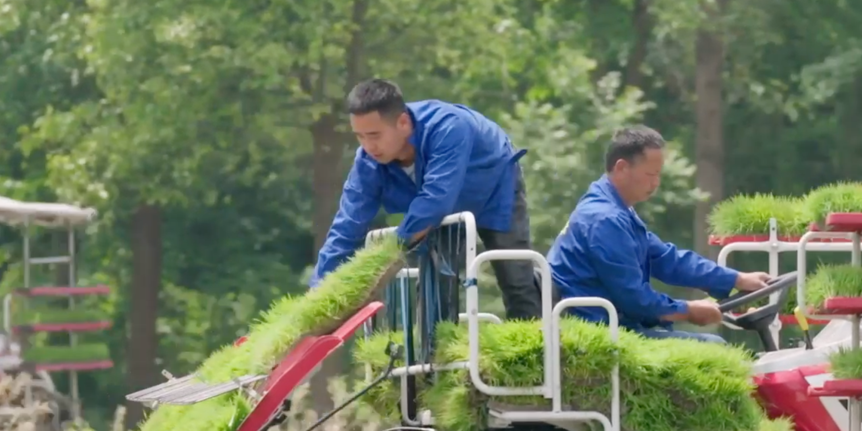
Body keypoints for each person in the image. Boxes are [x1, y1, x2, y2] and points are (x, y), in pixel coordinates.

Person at [311, 79, 543, 321]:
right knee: (434, 287)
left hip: (494, 185)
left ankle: (536, 337)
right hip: (436, 208)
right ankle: (437, 343)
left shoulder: (448, 127)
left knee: (515, 278)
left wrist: (388, 254)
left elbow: (436, 199)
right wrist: (317, 293)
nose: (368, 146)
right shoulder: (367, 162)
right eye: (360, 137)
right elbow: (346, 227)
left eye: (375, 135)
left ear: (403, 123)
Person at [547, 125, 771, 344]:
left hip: (616, 324)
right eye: (650, 174)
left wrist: (736, 279)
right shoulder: (604, 219)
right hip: (600, 333)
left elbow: (667, 260)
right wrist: (688, 310)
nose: (656, 183)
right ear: (622, 167)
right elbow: (634, 299)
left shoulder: (617, 211)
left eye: (658, 175)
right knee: (716, 346)